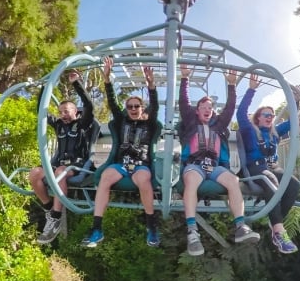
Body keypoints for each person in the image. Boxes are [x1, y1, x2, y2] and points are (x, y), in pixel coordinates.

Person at [179, 64, 260, 256]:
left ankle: (240, 226)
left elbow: (230, 109)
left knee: (234, 180)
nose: (207, 109)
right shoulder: (191, 122)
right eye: (203, 107)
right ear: (197, 111)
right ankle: (192, 231)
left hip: (214, 166)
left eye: (210, 107)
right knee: (191, 180)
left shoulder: (219, 125)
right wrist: (185, 79)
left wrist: (231, 86)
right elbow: (184, 102)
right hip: (195, 165)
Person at [83, 57, 161, 248]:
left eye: (136, 106)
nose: (133, 109)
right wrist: (107, 79)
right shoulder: (121, 121)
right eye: (130, 106)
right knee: (105, 178)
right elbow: (112, 102)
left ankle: (151, 226)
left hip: (141, 164)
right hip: (122, 164)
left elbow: (155, 106)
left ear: (142, 108)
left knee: (143, 179)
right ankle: (97, 228)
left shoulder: (149, 123)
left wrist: (151, 86)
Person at [237, 74, 300, 254]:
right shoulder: (250, 130)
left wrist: (296, 101)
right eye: (266, 114)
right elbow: (240, 113)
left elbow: (293, 121)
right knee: (270, 181)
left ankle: (276, 224)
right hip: (254, 168)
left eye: (272, 115)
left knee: (293, 183)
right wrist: (251, 89)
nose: (270, 117)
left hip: (270, 168)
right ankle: (280, 232)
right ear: (258, 118)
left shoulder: (274, 132)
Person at [30, 69, 94, 244]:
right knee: (35, 173)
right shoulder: (58, 125)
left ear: (75, 112)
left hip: (77, 164)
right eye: (60, 112)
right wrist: (45, 88)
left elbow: (89, 105)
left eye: (66, 111)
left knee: (60, 172)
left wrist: (76, 83)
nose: (63, 114)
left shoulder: (83, 124)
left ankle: (56, 217)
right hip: (59, 164)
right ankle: (49, 209)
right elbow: (41, 112)